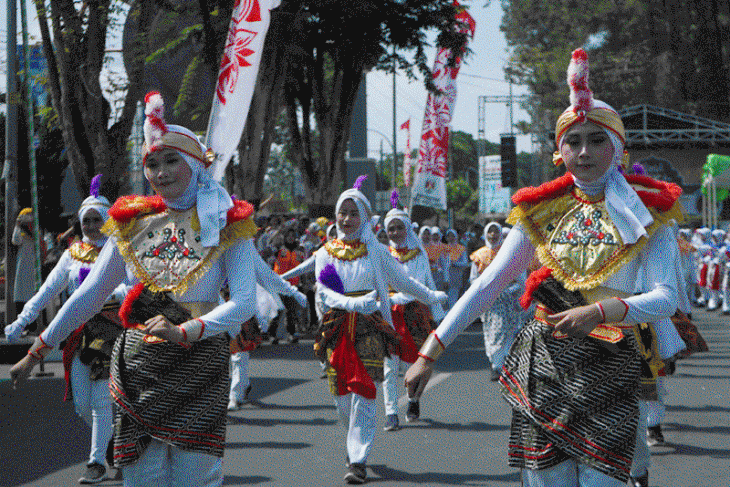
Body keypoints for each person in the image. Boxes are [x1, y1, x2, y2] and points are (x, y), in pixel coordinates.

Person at [406, 49, 685, 487]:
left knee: (603, 480)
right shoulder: (538, 211)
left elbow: (665, 298)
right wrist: (429, 352)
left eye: (597, 140)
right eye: (573, 141)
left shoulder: (650, 212)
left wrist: (595, 312)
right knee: (546, 480)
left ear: (619, 147)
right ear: (559, 151)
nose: (584, 151)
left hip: (611, 363)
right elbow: (488, 284)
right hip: (546, 366)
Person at [10, 91, 259, 487]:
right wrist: (39, 347)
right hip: (140, 365)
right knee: (142, 477)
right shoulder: (131, 223)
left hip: (200, 359)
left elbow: (245, 301)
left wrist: (185, 331)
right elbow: (88, 295)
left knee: (196, 477)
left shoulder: (229, 222)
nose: (161, 172)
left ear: (196, 163)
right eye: (152, 163)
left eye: (171, 160)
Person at [314, 177, 446, 484]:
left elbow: (403, 281)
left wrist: (430, 296)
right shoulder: (325, 252)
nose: (346, 219)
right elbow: (323, 292)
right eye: (342, 213)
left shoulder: (375, 251)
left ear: (364, 216)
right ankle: (353, 441)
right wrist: (352, 303)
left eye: (353, 213)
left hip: (369, 328)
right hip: (336, 327)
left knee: (364, 391)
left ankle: (358, 458)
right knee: (342, 396)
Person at [5, 179, 128, 484]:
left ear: (108, 220)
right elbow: (46, 291)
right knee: (82, 404)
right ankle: (112, 444)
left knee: (102, 400)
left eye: (97, 219)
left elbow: (132, 287)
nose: (90, 226)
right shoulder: (72, 255)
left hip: (111, 333)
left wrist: (108, 295)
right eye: (85, 220)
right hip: (76, 333)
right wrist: (22, 321)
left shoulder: (121, 252)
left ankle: (96, 463)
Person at [381, 191, 445, 431]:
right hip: (389, 315)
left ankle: (413, 399)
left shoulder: (418, 256)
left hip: (416, 313)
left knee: (419, 363)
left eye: (399, 227)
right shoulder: (383, 255)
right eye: (391, 228)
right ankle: (390, 412)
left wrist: (437, 313)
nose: (395, 233)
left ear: (407, 228)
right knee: (389, 366)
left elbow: (423, 284)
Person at [469, 222, 525, 381]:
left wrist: (509, 291)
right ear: (486, 234)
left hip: (508, 301)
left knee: (508, 332)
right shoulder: (480, 255)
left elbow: (520, 278)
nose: (493, 235)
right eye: (490, 232)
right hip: (490, 303)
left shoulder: (508, 253)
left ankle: (503, 365)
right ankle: (496, 364)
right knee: (492, 333)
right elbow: (473, 279)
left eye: (496, 232)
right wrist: (487, 289)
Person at [12, 208, 45, 319]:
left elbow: (40, 243)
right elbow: (16, 240)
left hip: (33, 265)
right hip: (23, 264)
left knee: (32, 294)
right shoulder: (21, 230)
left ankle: (33, 324)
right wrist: (18, 225)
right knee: (21, 293)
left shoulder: (36, 229)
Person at [442, 229, 470, 310]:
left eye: (453, 236)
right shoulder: (443, 248)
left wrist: (454, 263)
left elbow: (465, 263)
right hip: (443, 277)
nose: (451, 238)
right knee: (443, 300)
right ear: (446, 238)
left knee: (452, 299)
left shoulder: (461, 249)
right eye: (449, 236)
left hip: (455, 276)